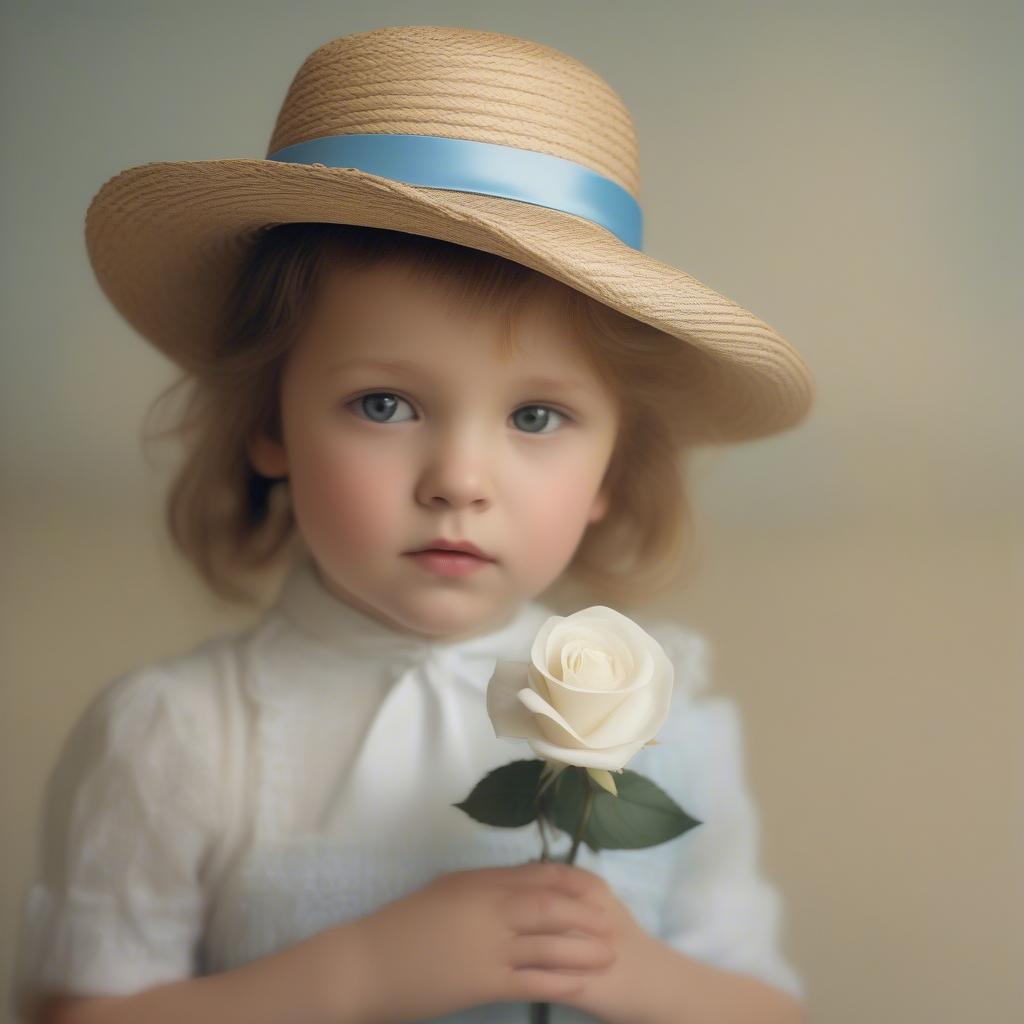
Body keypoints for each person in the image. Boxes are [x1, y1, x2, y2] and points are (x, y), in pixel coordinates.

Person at [10, 25, 814, 1024]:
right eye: (385, 404)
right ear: (269, 421)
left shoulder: (670, 732)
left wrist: (635, 974)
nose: (458, 481)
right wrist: (362, 973)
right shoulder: (179, 738)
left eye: (535, 417)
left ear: (613, 464)